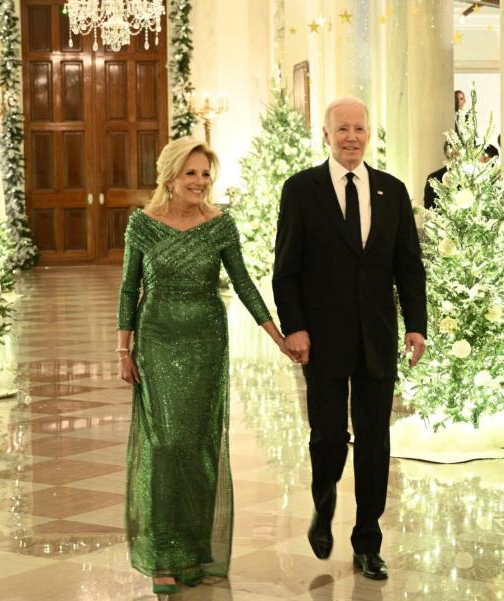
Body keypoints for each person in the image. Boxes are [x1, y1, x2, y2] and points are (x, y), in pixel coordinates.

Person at [116, 137, 289, 594]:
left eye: (206, 173)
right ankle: (162, 552)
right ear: (171, 177)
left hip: (207, 341)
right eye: (190, 173)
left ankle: (192, 549)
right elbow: (127, 289)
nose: (199, 181)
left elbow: (245, 285)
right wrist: (123, 349)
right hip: (156, 339)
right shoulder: (143, 226)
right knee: (165, 445)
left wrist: (277, 335)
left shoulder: (220, 226)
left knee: (198, 445)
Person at [273, 97, 428, 581]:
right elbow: (286, 271)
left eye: (359, 128)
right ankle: (323, 503)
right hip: (321, 339)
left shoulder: (392, 191)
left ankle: (368, 541)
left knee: (374, 439)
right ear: (326, 134)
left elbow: (409, 266)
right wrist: (294, 327)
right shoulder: (301, 190)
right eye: (342, 128)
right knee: (327, 436)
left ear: (368, 133)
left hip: (377, 338)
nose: (352, 137)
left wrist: (416, 325)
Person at [422, 141, 453, 210]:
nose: (456, 160)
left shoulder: (472, 179)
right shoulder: (434, 179)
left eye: (458, 155)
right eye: (451, 156)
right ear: (445, 156)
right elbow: (429, 209)